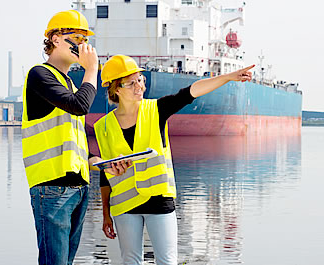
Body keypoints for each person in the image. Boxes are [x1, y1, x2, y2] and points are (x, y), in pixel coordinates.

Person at [93, 55, 254, 265]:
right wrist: (106, 213)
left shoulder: (156, 110)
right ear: (115, 89)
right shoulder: (103, 127)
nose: (139, 87)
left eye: (140, 80)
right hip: (124, 205)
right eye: (131, 83)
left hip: (159, 200)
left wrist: (228, 77)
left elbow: (190, 93)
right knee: (130, 261)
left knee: (167, 261)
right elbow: (105, 175)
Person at [21, 10, 99, 265]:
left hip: (78, 187)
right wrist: (93, 69)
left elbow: (71, 139)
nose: (82, 46)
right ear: (55, 38)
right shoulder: (39, 75)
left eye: (84, 40)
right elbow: (80, 106)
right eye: (75, 38)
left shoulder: (72, 86)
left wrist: (96, 160)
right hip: (51, 187)